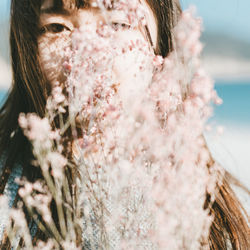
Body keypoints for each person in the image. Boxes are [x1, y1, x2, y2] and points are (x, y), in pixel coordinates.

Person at [0, 0, 249, 249]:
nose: (87, 54)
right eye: (57, 27)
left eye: (117, 23)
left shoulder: (217, 218)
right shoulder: (8, 195)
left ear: (161, 46)